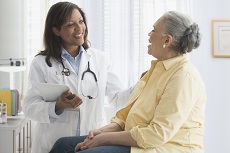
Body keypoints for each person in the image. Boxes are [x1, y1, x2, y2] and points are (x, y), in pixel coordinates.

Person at [50, 11, 207, 153]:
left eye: (153, 30)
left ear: (167, 40)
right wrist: (102, 132)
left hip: (164, 147)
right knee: (62, 145)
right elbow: (127, 118)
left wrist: (104, 139)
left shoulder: (183, 77)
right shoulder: (156, 70)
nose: (149, 34)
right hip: (140, 141)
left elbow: (156, 135)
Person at [22, 2, 133, 153]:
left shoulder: (100, 59)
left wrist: (143, 83)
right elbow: (29, 107)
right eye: (70, 24)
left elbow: (119, 98)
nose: (79, 28)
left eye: (81, 21)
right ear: (56, 30)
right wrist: (57, 106)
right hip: (54, 142)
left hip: (91, 140)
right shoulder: (41, 63)